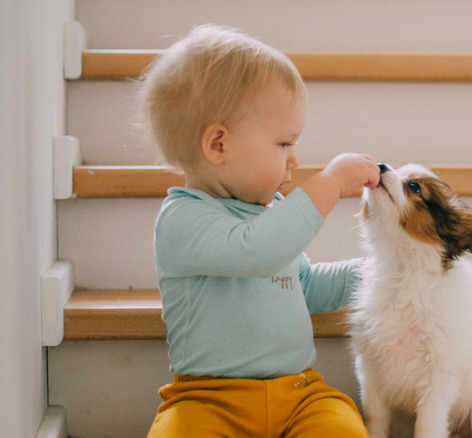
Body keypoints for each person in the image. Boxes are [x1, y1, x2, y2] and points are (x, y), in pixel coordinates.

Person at [138, 24, 380, 437]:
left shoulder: (272, 213)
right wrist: (329, 184)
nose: (294, 159)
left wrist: (379, 270)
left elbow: (303, 285)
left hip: (301, 393)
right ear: (218, 145)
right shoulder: (183, 220)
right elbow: (256, 251)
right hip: (209, 401)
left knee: (342, 427)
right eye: (283, 144)